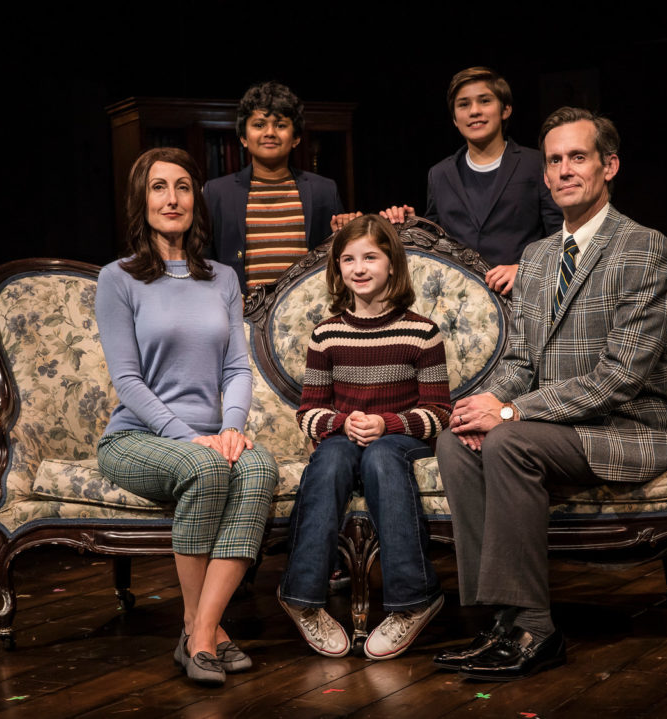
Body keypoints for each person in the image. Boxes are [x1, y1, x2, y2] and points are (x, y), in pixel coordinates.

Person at [433, 107, 667, 681]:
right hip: (553, 428)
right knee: (459, 441)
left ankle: (537, 629)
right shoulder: (536, 257)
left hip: (627, 427)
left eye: (577, 157)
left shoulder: (642, 248)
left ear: (609, 166)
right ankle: (499, 620)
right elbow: (521, 361)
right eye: (554, 160)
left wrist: (509, 412)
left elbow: (619, 376)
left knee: (507, 441)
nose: (562, 171)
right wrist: (482, 406)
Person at [95, 147, 278, 687]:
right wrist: (190, 437)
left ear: (197, 199)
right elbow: (127, 381)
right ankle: (203, 634)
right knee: (207, 469)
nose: (172, 198)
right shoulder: (119, 278)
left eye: (182, 186)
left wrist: (231, 428)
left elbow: (237, 368)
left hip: (211, 438)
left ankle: (200, 631)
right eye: (158, 187)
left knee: (259, 468)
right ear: (141, 200)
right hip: (138, 436)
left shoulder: (222, 278)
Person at [277, 214, 451, 660]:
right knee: (332, 460)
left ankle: (414, 600)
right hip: (345, 433)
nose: (359, 267)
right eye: (348, 259)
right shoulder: (326, 333)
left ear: (392, 263)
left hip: (399, 442)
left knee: (379, 458)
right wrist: (341, 423)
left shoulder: (422, 332)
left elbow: (439, 412)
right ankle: (301, 597)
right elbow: (309, 410)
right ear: (337, 269)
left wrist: (387, 424)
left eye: (371, 257)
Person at [381, 67, 561, 295]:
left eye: (484, 101)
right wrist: (410, 223)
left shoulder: (534, 164)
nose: (474, 111)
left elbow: (561, 236)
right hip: (458, 303)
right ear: (455, 119)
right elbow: (435, 240)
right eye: (464, 105)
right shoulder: (440, 174)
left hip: (521, 298)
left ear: (505, 110)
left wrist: (525, 270)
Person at [205, 81, 357, 292]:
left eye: (280, 125)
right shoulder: (217, 192)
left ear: (296, 138)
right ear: (243, 137)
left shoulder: (323, 190)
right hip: (241, 315)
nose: (269, 133)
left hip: (306, 312)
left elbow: (341, 256)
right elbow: (204, 260)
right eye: (259, 125)